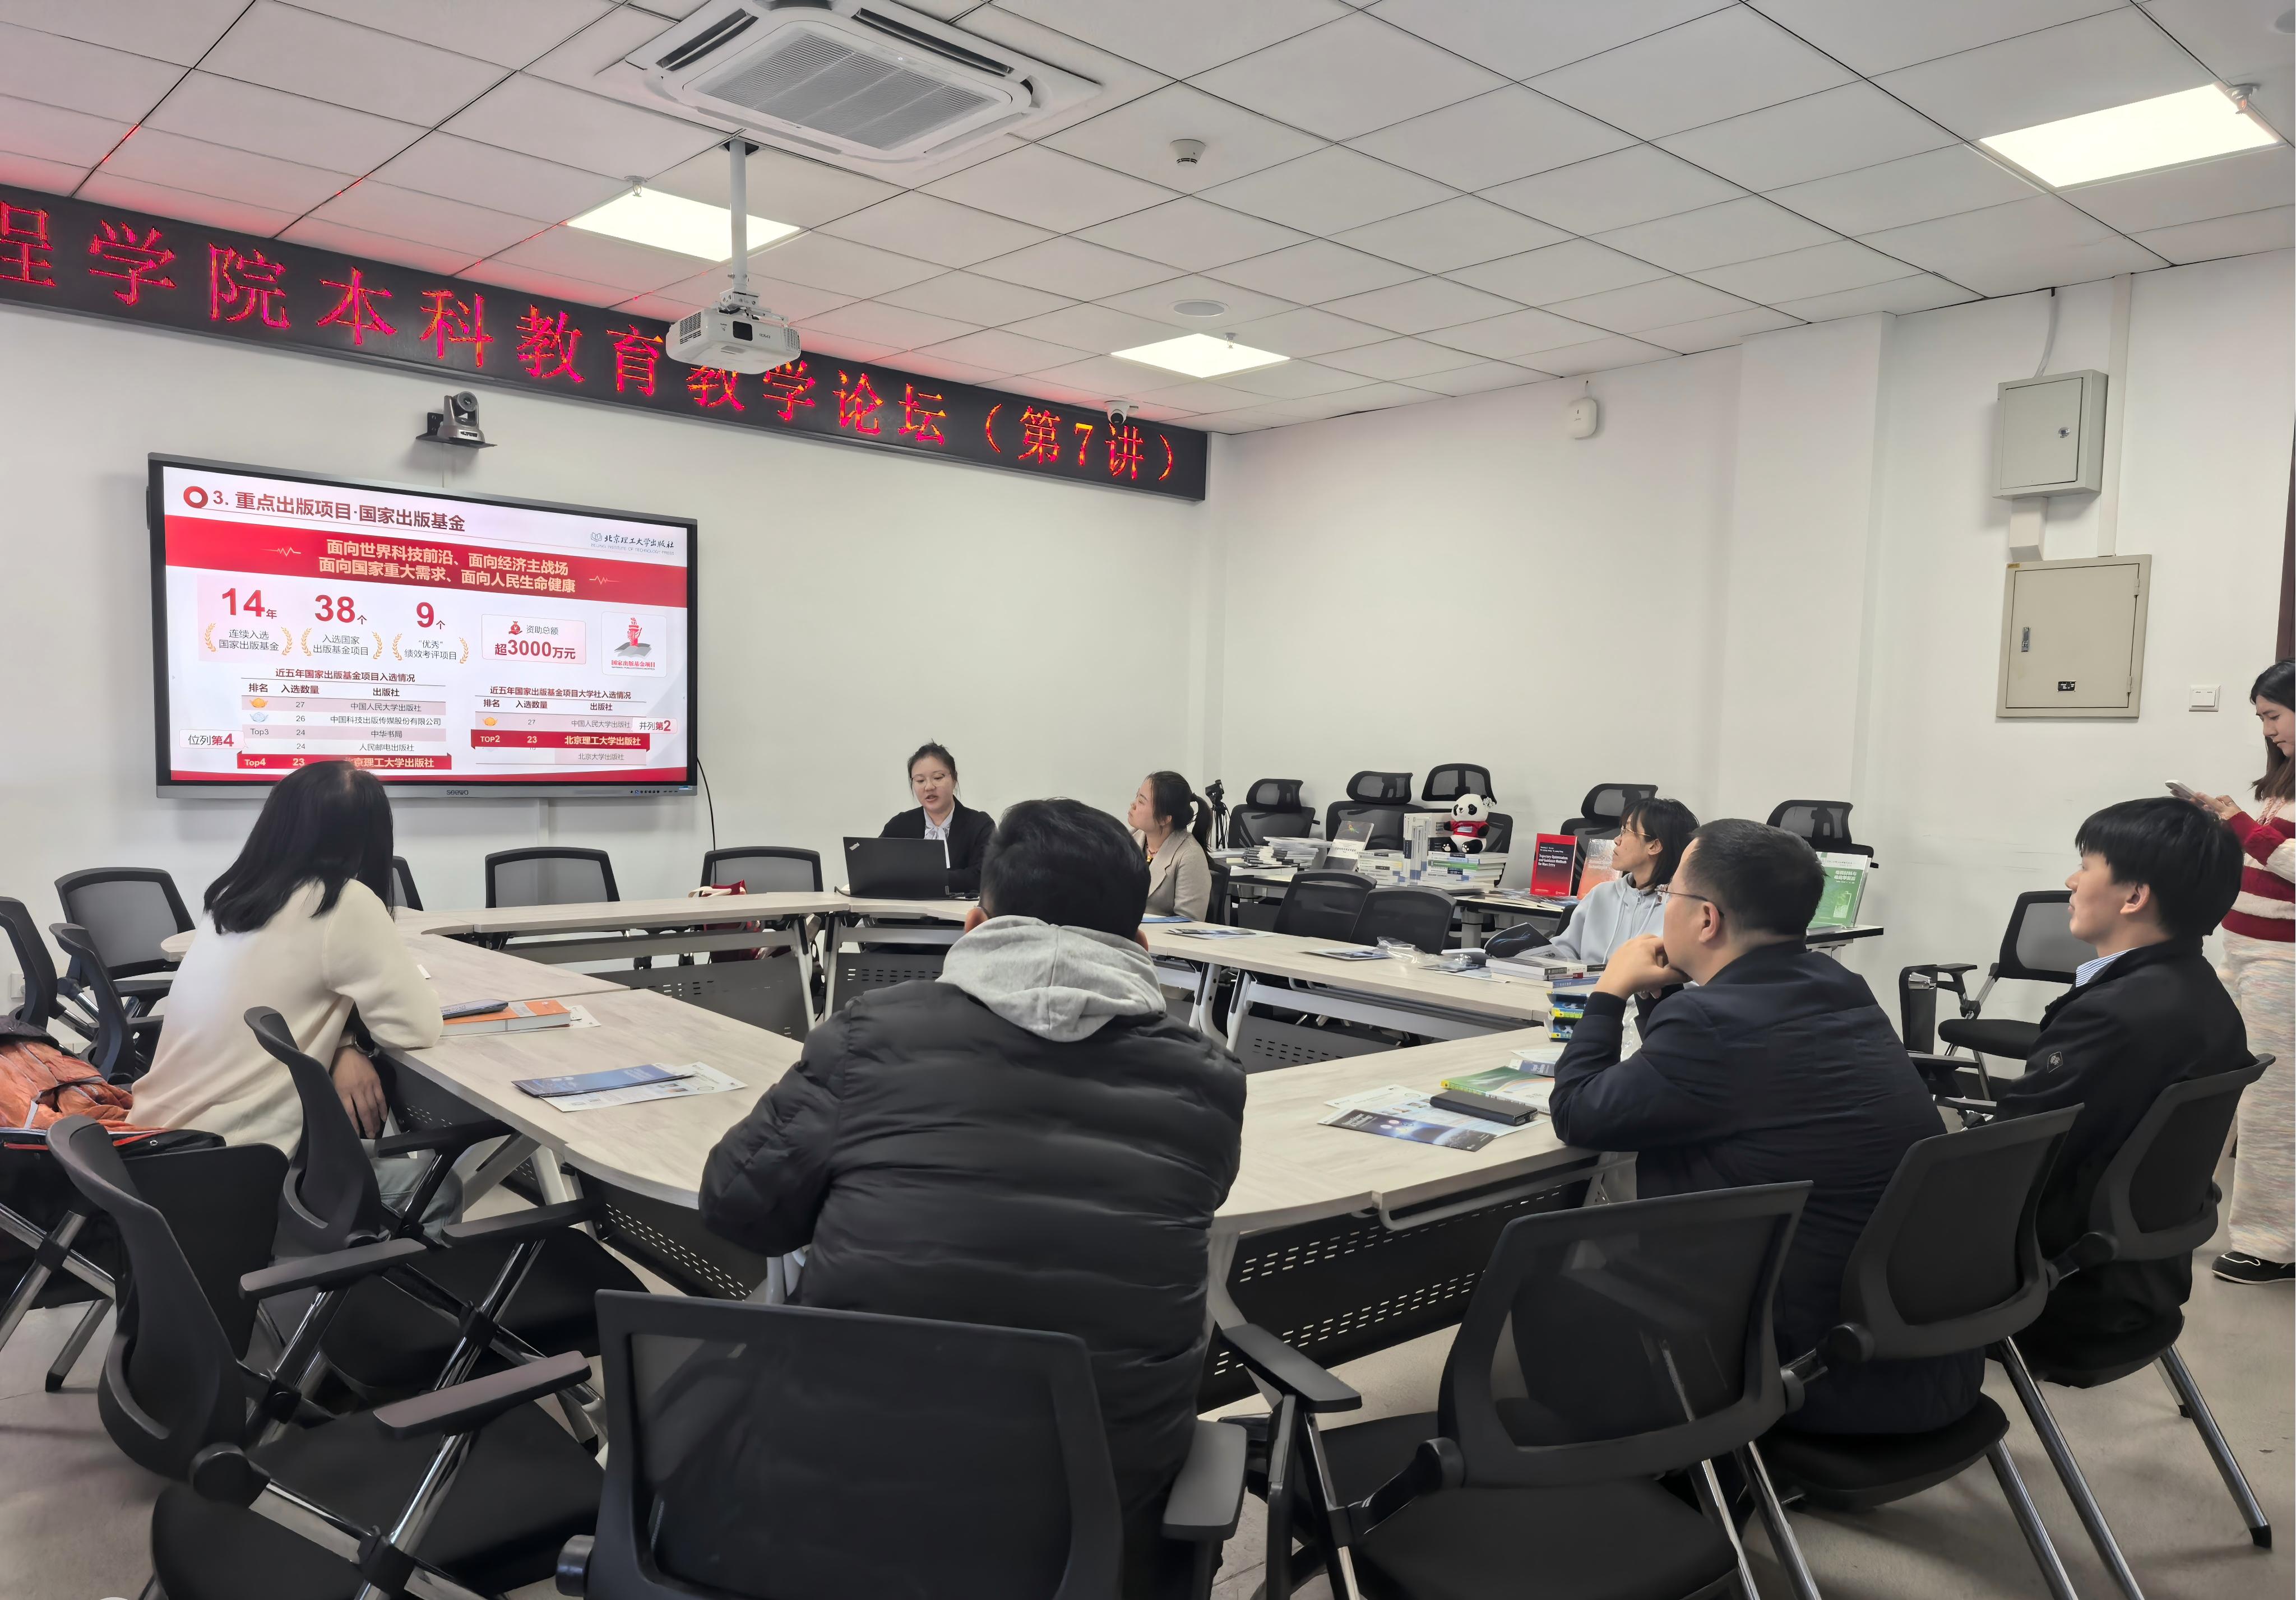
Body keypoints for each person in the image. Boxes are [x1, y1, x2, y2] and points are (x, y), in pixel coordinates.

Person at [700, 798, 1245, 1597]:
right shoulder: (1209, 1082)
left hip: (839, 1519)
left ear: (974, 924)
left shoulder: (866, 1036)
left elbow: (735, 1205)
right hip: (1094, 1548)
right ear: (1140, 945)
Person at [1548, 819, 1979, 1435]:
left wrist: (1610, 989)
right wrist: (1664, 997)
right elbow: (1699, 1082)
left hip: (1809, 1368)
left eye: (1670, 893)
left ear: (1706, 919)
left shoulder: (1712, 1024)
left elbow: (1577, 1111)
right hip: (1913, 1341)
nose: (1663, 907)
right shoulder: (1841, 986)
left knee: (1547, 1281)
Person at [1993, 798, 2250, 1352]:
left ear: (2133, 897)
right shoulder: (2206, 997)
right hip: (2138, 1278)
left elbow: (2004, 1161)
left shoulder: (2114, 1014)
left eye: (2085, 866)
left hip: (2055, 1287)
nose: (2071, 881)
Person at [131, 760, 440, 1151]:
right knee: (440, 1181)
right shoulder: (341, 902)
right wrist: (354, 1046)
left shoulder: (232, 897)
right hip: (235, 1159)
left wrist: (343, 1044)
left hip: (156, 1142)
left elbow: (281, 1002)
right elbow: (415, 1029)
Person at [2183, 661, 2294, 1283]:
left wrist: (2242, 826)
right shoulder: (2281, 784)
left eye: (2274, 715)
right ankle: (2175, 1209)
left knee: (2270, 1103)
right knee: (2209, 1080)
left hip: (2284, 965)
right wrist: (2222, 824)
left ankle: (2270, 1244)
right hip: (2243, 955)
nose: (2268, 729)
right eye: (2261, 718)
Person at [1490, 796, 1697, 964]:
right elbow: (1566, 950)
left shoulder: (1680, 907)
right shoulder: (1602, 894)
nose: (1617, 840)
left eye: (1627, 831)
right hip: (1582, 994)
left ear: (1654, 846)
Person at [879, 741, 994, 895]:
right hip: (908, 910)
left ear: (954, 778)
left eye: (938, 778)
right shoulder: (899, 826)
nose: (929, 787)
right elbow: (876, 870)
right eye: (920, 781)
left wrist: (924, 880)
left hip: (961, 911)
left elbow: (984, 876)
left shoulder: (980, 825)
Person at [1128, 771, 1213, 921]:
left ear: (1164, 819)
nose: (1133, 804)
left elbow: (1189, 923)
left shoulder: (1190, 855)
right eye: (1137, 796)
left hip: (1158, 936)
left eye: (1141, 802)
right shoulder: (1130, 839)